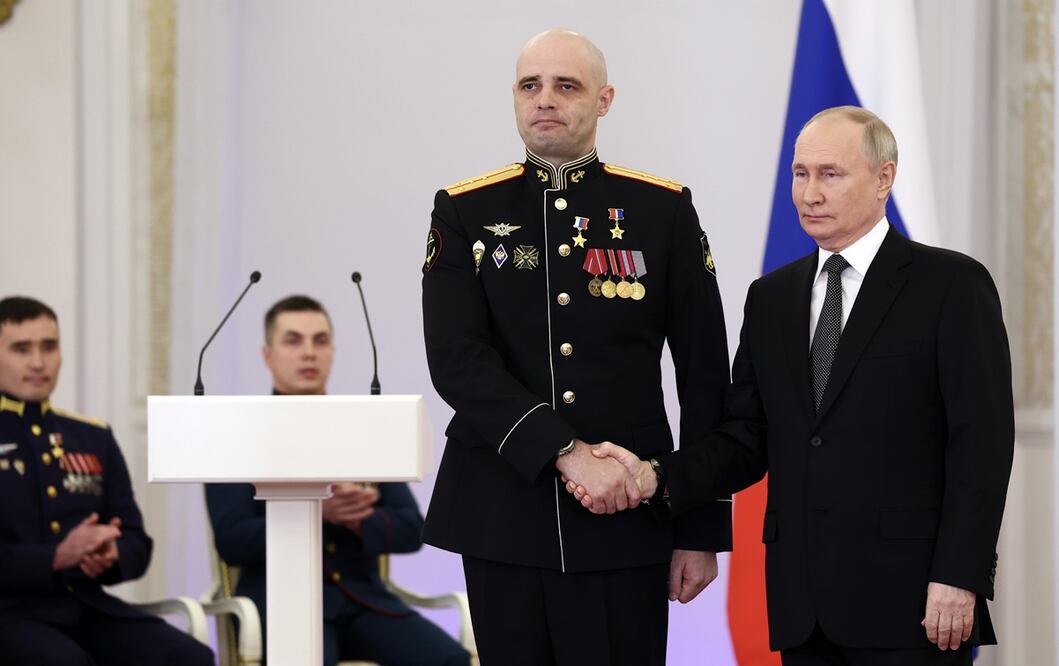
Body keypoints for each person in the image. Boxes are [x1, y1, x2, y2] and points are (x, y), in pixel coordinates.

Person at [571, 106, 1014, 666]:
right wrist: (654, 475)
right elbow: (745, 438)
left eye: (830, 174)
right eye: (800, 174)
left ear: (884, 178)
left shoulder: (951, 285)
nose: (810, 193)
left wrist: (959, 574)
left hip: (915, 602)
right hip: (803, 607)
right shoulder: (771, 298)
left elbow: (981, 446)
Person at [421, 28, 732, 665]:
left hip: (626, 513)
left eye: (567, 86)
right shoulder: (464, 210)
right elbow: (457, 360)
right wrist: (563, 451)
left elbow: (704, 374)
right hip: (504, 510)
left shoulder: (662, 210)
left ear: (603, 100)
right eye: (530, 86)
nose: (545, 99)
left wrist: (699, 526)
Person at [205, 295, 469, 666]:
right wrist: (317, 512)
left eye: (320, 341)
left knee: (451, 661)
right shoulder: (239, 435)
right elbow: (232, 541)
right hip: (280, 603)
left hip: (365, 603)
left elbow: (411, 530)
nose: (309, 353)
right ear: (267, 355)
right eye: (293, 341)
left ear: (332, 351)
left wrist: (358, 518)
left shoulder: (361, 430)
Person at [0, 296, 214, 665]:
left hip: (85, 606)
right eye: (22, 349)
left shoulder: (92, 436)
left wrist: (112, 555)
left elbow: (136, 541)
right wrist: (55, 558)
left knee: (188, 657)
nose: (38, 362)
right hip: (10, 614)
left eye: (49, 347)